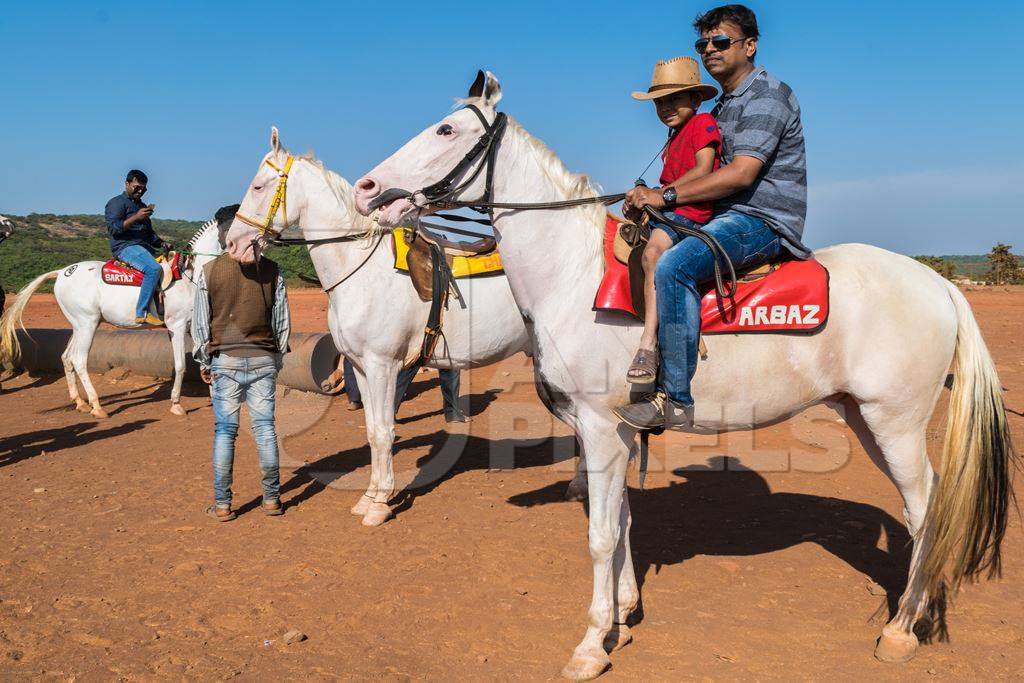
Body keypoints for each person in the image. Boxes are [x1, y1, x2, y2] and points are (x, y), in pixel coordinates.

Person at [615, 3, 811, 430]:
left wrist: (663, 196)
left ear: (750, 45)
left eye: (720, 41)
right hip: (719, 214)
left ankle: (674, 397)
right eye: (702, 44)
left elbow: (741, 174)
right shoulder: (721, 108)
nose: (709, 49)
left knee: (673, 266)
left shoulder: (768, 95)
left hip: (761, 219)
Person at [625, 56, 721, 384]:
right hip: (671, 213)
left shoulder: (703, 123)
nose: (666, 107)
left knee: (652, 255)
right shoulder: (672, 137)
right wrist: (642, 197)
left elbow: (703, 171)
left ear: (695, 99)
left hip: (688, 216)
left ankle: (649, 344)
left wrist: (657, 194)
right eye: (660, 102)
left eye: (675, 99)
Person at [192, 251, 291, 521]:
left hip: (225, 360)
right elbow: (280, 318)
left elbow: (201, 323)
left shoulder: (209, 270)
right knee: (265, 428)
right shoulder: (272, 268)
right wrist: (277, 356)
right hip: (263, 357)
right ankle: (271, 499)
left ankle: (223, 505)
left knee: (225, 431)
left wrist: (204, 361)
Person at [104, 169, 171, 326]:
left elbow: (149, 234)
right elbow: (114, 229)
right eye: (137, 187)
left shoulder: (141, 206)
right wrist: (136, 217)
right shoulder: (116, 203)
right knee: (153, 269)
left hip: (144, 247)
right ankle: (142, 313)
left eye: (143, 189)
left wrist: (162, 243)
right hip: (125, 247)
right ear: (127, 184)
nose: (140, 191)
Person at [342, 357, 469, 423]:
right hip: (431, 323)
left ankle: (386, 410)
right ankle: (452, 412)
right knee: (449, 360)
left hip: (428, 324)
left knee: (417, 361)